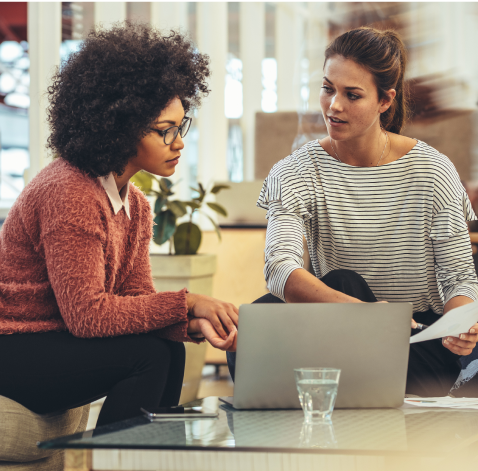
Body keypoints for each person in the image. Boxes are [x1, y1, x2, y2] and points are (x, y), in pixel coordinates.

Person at [0, 23, 237, 427]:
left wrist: (189, 323)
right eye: (165, 131)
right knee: (149, 356)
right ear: (119, 127)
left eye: (181, 127)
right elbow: (88, 315)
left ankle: (148, 460)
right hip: (17, 346)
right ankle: (115, 460)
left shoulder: (136, 205)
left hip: (57, 340)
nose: (178, 142)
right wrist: (188, 302)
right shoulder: (69, 191)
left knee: (168, 348)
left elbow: (134, 301)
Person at [228, 27, 478, 397]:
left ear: (385, 100)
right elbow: (279, 269)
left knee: (343, 284)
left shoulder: (431, 171)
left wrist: (462, 323)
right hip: (337, 330)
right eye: (328, 88)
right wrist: (368, 315)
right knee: (263, 318)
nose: (334, 105)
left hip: (414, 343)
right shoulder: (296, 172)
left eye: (352, 95)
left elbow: (459, 278)